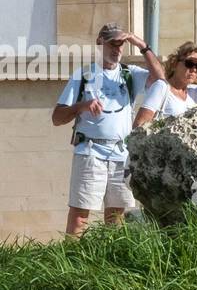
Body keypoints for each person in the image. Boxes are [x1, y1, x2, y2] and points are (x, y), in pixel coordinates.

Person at [51, 23, 165, 237]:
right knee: (80, 216)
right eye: (113, 43)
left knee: (116, 216)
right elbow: (57, 118)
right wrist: (81, 106)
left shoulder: (130, 74)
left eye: (121, 43)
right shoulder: (84, 75)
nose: (117, 48)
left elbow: (160, 79)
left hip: (121, 154)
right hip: (91, 152)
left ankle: (109, 263)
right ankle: (70, 262)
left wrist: (141, 45)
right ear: (100, 42)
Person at [134, 42, 197, 127]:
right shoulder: (161, 87)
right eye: (189, 64)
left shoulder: (192, 92)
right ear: (175, 64)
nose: (194, 69)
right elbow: (139, 125)